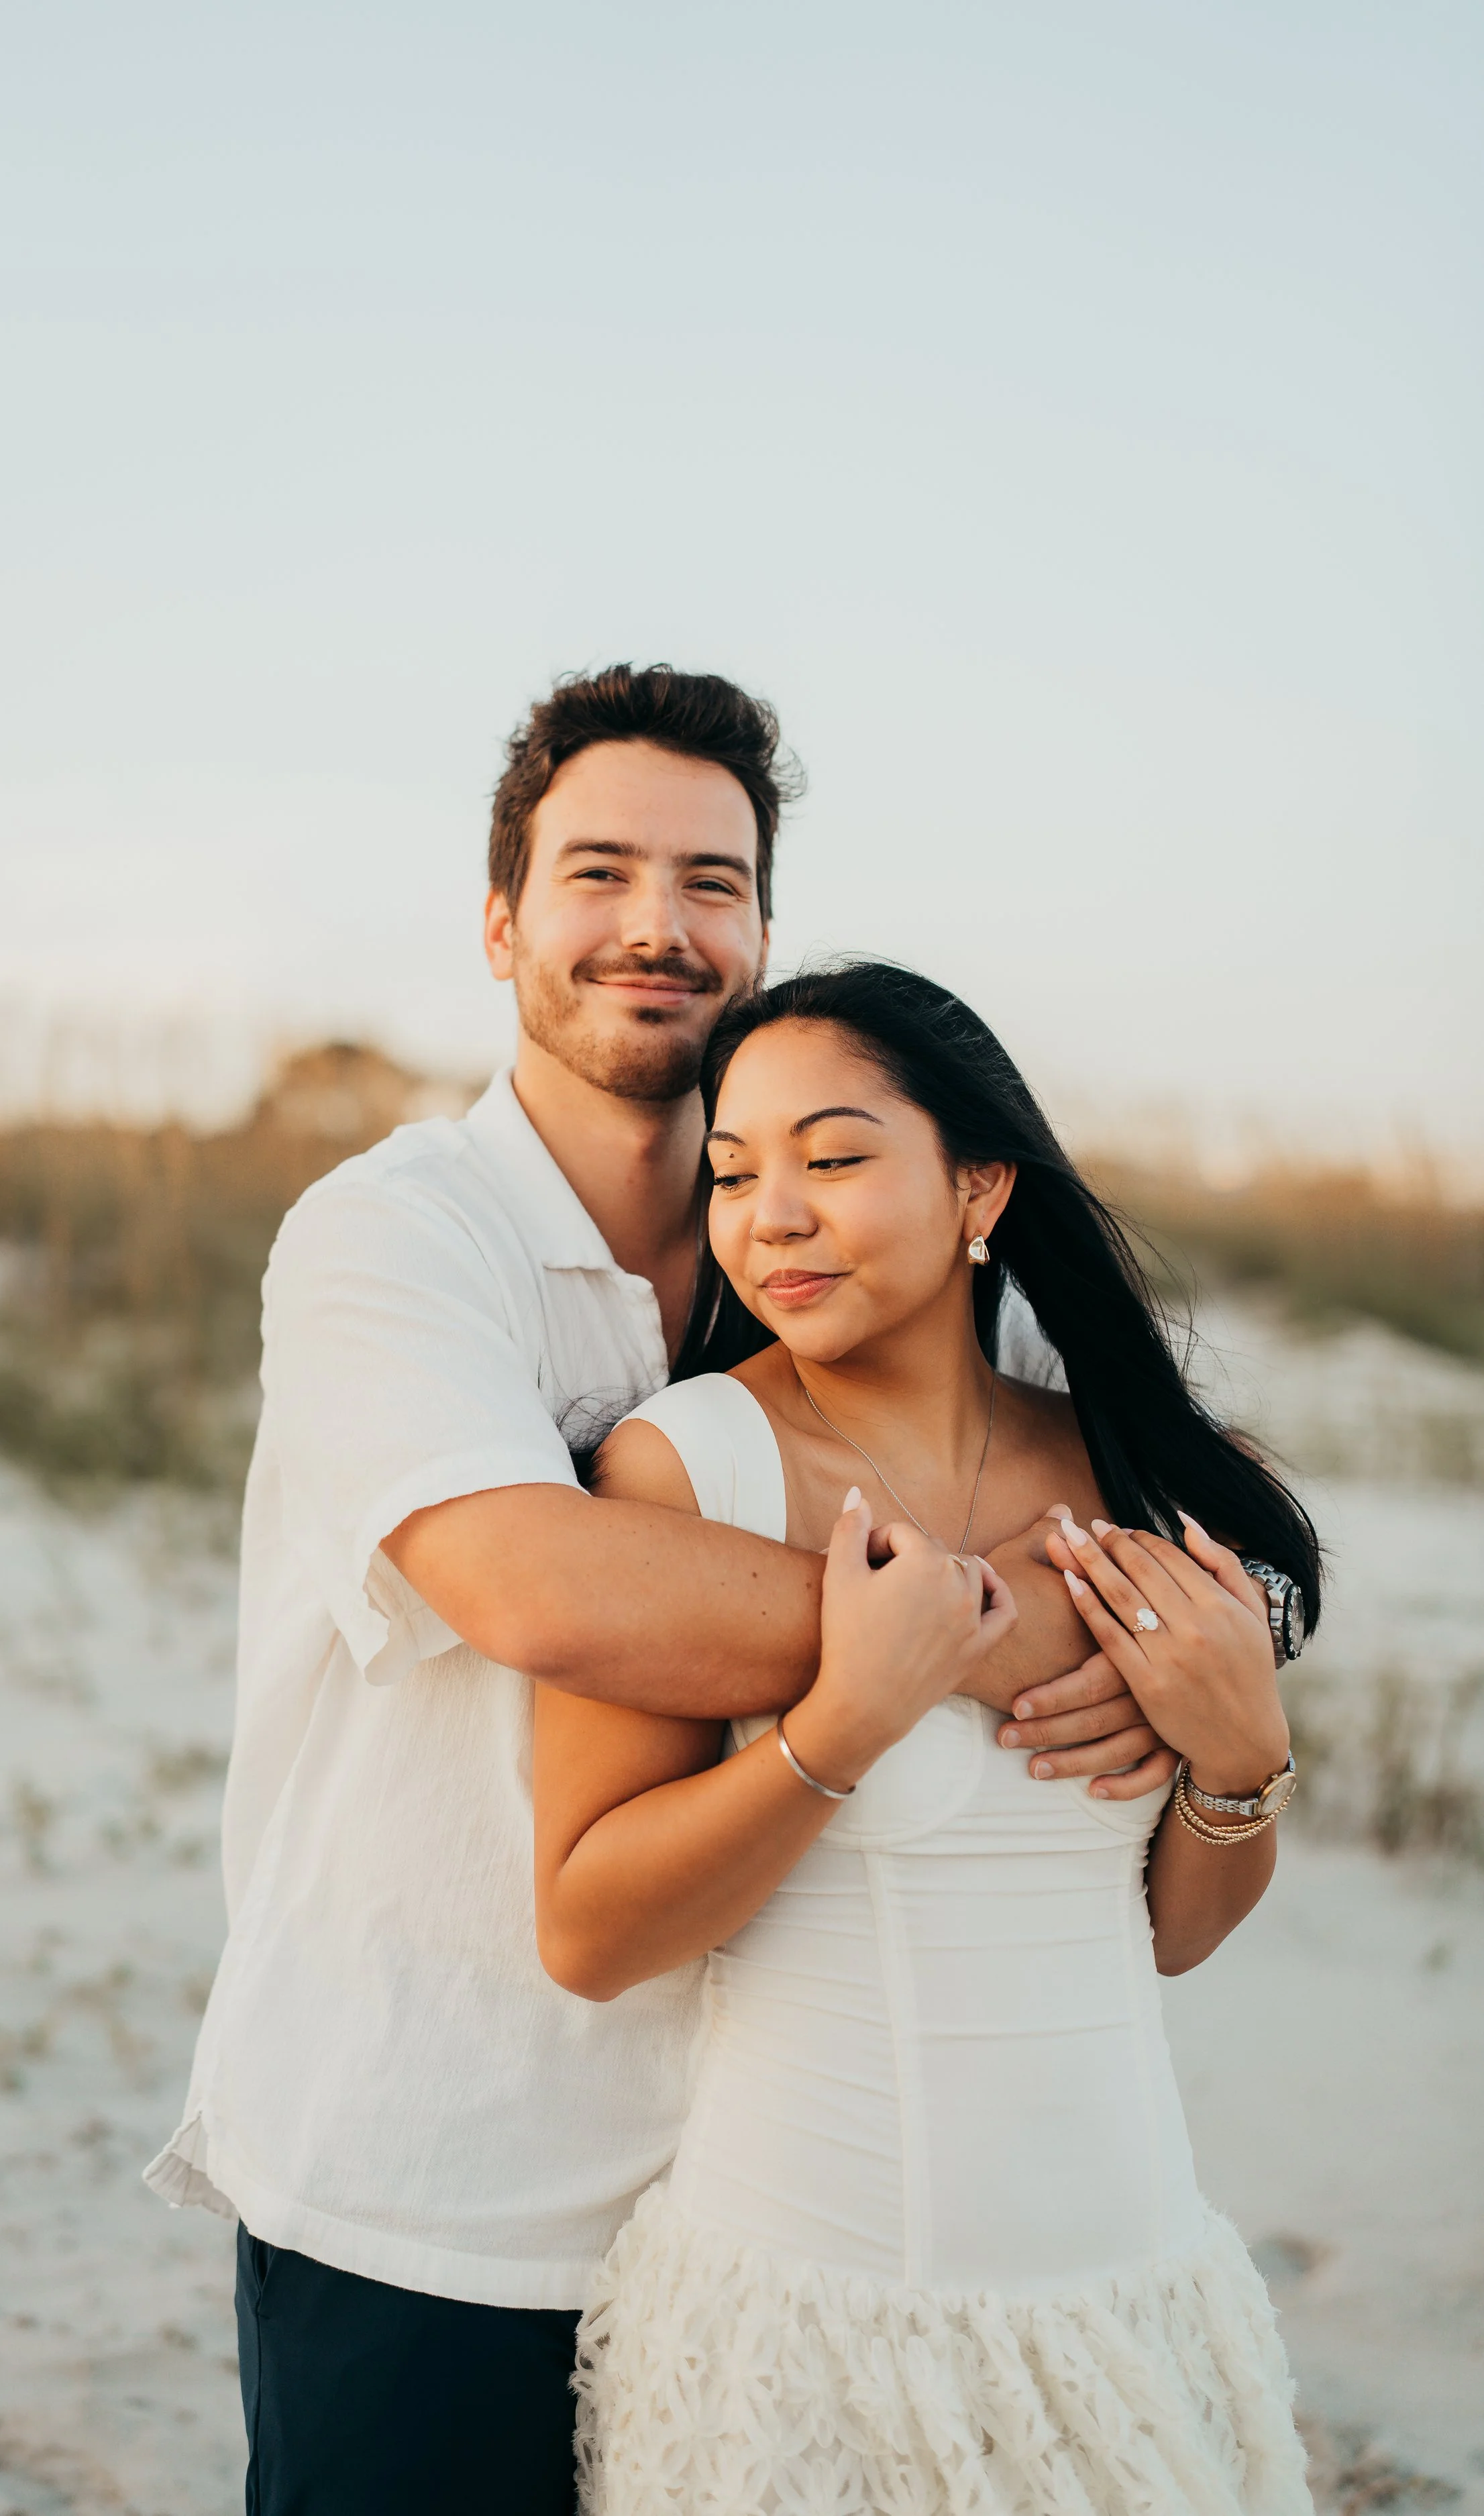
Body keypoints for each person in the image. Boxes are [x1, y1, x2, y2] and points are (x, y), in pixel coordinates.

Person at [147, 666, 1283, 2516]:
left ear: (761, 933)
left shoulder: (815, 1271)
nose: (656, 925)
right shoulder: (398, 1230)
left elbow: (1181, 1537)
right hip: (441, 2163)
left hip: (749, 2180)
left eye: (713, 881)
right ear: (502, 917)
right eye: (597, 872)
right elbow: (530, 1579)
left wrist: (1228, 1674)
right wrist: (1054, 1619)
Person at [534, 960, 1320, 2515]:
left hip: (1128, 2303)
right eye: (734, 1173)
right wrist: (842, 1724)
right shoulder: (688, 1468)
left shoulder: (1136, 1476)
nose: (771, 1216)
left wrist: (1241, 1762)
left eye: (831, 1158)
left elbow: (1164, 1936)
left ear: (978, 1184)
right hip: (816, 2327)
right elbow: (591, 1926)